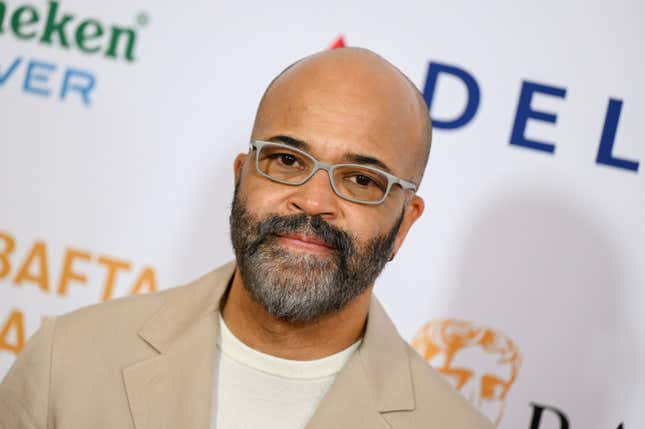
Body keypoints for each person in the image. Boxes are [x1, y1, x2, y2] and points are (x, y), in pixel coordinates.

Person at [0, 47, 493, 428]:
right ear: (242, 176)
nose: (313, 200)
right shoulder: (66, 361)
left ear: (405, 223)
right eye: (287, 160)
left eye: (361, 180)